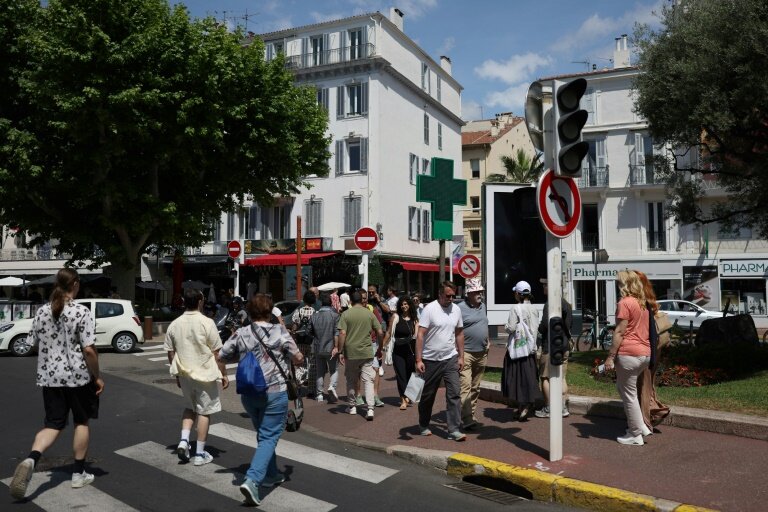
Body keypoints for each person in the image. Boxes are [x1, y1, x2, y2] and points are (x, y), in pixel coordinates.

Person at [10, 268, 105, 500]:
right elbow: (89, 350)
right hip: (78, 378)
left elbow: (32, 343)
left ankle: (31, 458)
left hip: (50, 378)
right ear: (75, 284)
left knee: (53, 425)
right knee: (81, 421)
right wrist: (97, 376)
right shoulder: (81, 311)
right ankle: (78, 473)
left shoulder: (42, 311)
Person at [218, 293, 304, 506]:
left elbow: (222, 355)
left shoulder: (241, 333)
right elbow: (298, 357)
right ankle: (253, 480)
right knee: (269, 436)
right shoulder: (279, 331)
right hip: (274, 392)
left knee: (264, 435)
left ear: (249, 312)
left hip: (249, 393)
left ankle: (271, 474)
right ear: (269, 312)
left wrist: (244, 355)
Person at [165, 288, 229, 465]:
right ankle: (199, 454)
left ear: (184, 302)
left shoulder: (174, 324)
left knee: (189, 407)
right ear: (200, 302)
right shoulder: (207, 323)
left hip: (184, 373)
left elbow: (170, 352)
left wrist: (176, 374)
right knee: (204, 412)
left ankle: (184, 440)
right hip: (204, 373)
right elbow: (217, 353)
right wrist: (224, 374)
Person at [604, 270, 651, 445]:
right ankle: (641, 427)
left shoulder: (624, 303)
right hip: (644, 353)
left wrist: (610, 357)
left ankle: (635, 434)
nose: (618, 285)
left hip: (629, 353)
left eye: (619, 282)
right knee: (626, 390)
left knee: (629, 394)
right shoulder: (642, 303)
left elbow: (619, 332)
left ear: (625, 284)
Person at [415, 281, 466, 441]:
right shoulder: (429, 309)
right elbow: (420, 334)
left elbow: (459, 333)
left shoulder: (456, 309)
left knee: (454, 393)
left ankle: (453, 430)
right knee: (428, 395)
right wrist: (418, 360)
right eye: (448, 295)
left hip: (450, 358)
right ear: (440, 294)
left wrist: (461, 356)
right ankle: (423, 424)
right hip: (430, 360)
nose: (451, 299)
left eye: (453, 296)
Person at [337, 290, 383, 420]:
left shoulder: (345, 314)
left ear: (350, 301)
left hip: (351, 352)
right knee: (368, 380)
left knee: (351, 379)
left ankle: (352, 406)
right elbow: (380, 332)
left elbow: (342, 334)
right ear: (362, 300)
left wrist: (340, 351)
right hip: (366, 351)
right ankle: (370, 409)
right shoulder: (369, 313)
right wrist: (380, 348)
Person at [635, 271, 670, 433]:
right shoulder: (650, 298)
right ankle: (650, 414)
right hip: (656, 346)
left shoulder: (640, 302)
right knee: (648, 384)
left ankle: (646, 420)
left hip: (646, 347)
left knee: (643, 385)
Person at [502, 281, 542, 421]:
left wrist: (506, 326)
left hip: (518, 349)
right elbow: (535, 329)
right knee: (528, 376)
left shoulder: (515, 308)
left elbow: (511, 328)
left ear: (518, 294)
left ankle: (522, 405)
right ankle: (525, 405)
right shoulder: (534, 309)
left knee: (516, 377)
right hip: (530, 348)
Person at [535, 278, 573, 418]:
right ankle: (562, 407)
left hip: (550, 346)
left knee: (545, 377)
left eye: (545, 285)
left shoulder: (549, 303)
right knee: (561, 376)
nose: (543, 288)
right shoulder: (566, 304)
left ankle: (548, 407)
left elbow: (545, 324)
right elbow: (570, 324)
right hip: (564, 345)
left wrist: (539, 330)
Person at [457, 278, 489, 430]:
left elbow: (484, 323)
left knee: (475, 387)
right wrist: (459, 353)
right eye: (476, 292)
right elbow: (455, 331)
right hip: (466, 353)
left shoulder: (483, 306)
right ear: (469, 293)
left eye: (480, 292)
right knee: (465, 386)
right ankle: (467, 418)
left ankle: (471, 413)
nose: (479, 294)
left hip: (482, 352)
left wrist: (488, 340)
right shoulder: (459, 309)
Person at [382, 296, 418, 410]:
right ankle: (403, 399)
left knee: (410, 374)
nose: (404, 306)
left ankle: (410, 395)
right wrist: (382, 346)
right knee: (400, 375)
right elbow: (388, 332)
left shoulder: (414, 319)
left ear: (409, 305)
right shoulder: (396, 317)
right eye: (402, 304)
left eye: (406, 304)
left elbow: (417, 337)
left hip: (410, 351)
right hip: (397, 351)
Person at [309, 291, 340, 402]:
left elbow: (309, 331)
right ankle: (332, 386)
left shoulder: (314, 316)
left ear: (321, 303)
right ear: (331, 302)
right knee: (334, 370)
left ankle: (319, 395)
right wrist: (337, 347)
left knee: (320, 372)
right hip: (331, 347)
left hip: (318, 347)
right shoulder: (335, 315)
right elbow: (336, 333)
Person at [363, 288, 386, 407]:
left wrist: (380, 347)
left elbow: (380, 328)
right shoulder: (352, 311)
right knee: (358, 371)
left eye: (365, 298)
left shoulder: (373, 309)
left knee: (376, 369)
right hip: (357, 344)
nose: (364, 301)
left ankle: (375, 396)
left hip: (372, 343)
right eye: (362, 299)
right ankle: (358, 396)